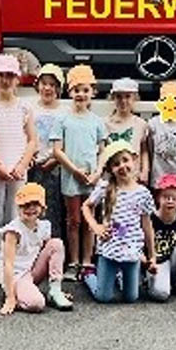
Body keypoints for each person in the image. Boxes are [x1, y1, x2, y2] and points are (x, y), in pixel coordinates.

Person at [0, 53, 37, 287]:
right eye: (1, 75)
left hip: (18, 169)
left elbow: (33, 140)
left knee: (16, 214)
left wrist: (22, 164)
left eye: (10, 76)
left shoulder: (25, 107)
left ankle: (14, 261)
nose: (5, 80)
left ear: (17, 79)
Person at [81, 141, 156, 304]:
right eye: (116, 164)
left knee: (131, 298)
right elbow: (86, 206)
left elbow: (147, 226)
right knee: (103, 297)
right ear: (110, 169)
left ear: (134, 160)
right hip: (110, 249)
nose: (122, 166)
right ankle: (89, 275)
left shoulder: (143, 193)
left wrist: (152, 256)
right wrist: (95, 226)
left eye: (125, 160)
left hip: (132, 251)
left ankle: (119, 276)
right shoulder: (105, 187)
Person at [51, 64, 107, 281]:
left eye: (85, 90)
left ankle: (88, 260)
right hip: (71, 177)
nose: (81, 94)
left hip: (91, 178)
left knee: (89, 219)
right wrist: (73, 170)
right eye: (77, 90)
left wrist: (98, 172)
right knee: (73, 220)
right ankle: (73, 261)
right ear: (70, 92)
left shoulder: (96, 121)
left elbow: (103, 151)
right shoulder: (63, 119)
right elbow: (57, 150)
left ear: (93, 92)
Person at [0, 182, 73, 315]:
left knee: (56, 243)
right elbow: (7, 264)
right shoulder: (13, 231)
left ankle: (55, 291)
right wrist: (10, 298)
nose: (30, 209)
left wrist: (54, 276)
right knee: (37, 304)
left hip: (33, 271)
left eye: (35, 204)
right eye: (25, 205)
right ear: (18, 207)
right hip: (18, 276)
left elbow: (50, 253)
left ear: (43, 208)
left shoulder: (43, 226)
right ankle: (19, 295)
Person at [29, 63, 66, 244]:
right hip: (33, 164)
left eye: (52, 85)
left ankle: (54, 246)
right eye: (44, 83)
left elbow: (68, 139)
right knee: (32, 206)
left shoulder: (64, 111)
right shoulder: (30, 108)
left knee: (53, 207)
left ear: (59, 88)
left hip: (55, 165)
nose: (48, 88)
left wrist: (55, 159)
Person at [147, 81, 176, 187]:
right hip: (158, 177)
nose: (170, 103)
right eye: (165, 99)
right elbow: (150, 146)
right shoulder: (153, 124)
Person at [106, 77, 150, 183]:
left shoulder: (140, 124)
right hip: (112, 179)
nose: (123, 101)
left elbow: (144, 150)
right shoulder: (105, 123)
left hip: (134, 178)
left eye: (128, 96)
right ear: (113, 98)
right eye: (119, 97)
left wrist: (145, 171)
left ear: (135, 98)